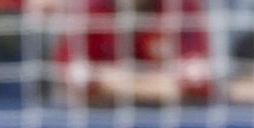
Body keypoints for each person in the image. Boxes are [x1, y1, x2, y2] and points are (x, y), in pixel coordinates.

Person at [52, 0, 213, 106]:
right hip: (100, 119)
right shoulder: (88, 10)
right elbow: (72, 79)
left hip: (172, 118)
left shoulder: (180, 7)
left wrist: (108, 80)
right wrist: (159, 83)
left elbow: (197, 83)